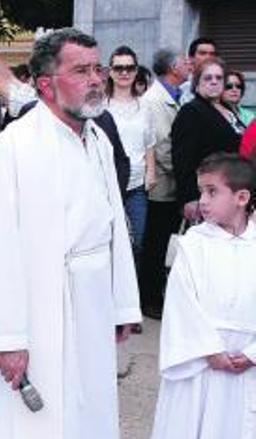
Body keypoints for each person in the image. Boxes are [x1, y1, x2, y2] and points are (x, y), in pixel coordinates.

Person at [0, 28, 140, 439]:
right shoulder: (13, 148)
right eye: (81, 71)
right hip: (38, 312)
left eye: (98, 69)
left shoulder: (99, 141)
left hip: (91, 304)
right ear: (46, 83)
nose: (97, 80)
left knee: (91, 417)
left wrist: (122, 304)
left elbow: (112, 231)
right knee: (37, 436)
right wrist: (6, 338)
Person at [132, 152, 256, 439]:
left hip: (248, 366)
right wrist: (210, 351)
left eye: (212, 192)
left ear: (242, 197)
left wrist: (252, 353)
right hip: (200, 363)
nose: (202, 201)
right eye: (201, 191)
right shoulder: (194, 244)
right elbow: (181, 304)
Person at [139, 47, 190, 319]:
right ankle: (149, 299)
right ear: (172, 67)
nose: (189, 64)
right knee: (156, 244)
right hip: (162, 186)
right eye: (184, 60)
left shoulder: (176, 96)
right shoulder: (154, 100)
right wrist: (184, 174)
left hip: (172, 183)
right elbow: (161, 146)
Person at [172, 58, 244, 227]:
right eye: (208, 78)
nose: (214, 82)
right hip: (207, 195)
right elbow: (182, 159)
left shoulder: (227, 109)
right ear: (197, 83)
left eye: (219, 78)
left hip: (231, 191)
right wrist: (189, 198)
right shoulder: (191, 111)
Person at [106, 45, 156, 268]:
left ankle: (129, 296)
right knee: (108, 243)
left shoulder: (146, 106)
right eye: (119, 68)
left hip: (137, 186)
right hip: (108, 183)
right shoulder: (100, 106)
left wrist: (151, 173)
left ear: (136, 71)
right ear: (110, 71)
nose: (124, 73)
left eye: (129, 67)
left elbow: (150, 143)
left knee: (137, 242)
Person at [179, 37, 217, 105]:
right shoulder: (182, 89)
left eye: (212, 54)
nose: (208, 57)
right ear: (191, 58)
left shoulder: (224, 86)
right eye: (202, 53)